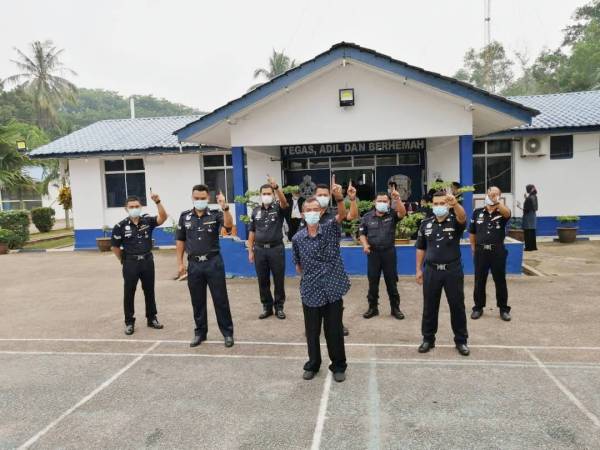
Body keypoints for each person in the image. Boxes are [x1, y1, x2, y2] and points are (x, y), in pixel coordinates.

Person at [292, 193, 350, 383]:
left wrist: (340, 199)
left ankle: (339, 365)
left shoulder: (331, 229)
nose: (312, 213)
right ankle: (313, 364)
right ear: (302, 214)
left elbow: (342, 215)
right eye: (308, 210)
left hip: (333, 289)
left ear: (322, 211)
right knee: (312, 331)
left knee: (334, 330)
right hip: (310, 291)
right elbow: (298, 266)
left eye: (315, 210)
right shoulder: (298, 239)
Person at [176, 184, 235, 348]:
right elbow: (180, 240)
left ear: (208, 198)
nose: (200, 201)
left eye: (203, 198)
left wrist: (225, 208)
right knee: (197, 301)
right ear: (192, 198)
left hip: (213, 263)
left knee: (220, 299)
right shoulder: (185, 216)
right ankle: (200, 333)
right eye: (197, 198)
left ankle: (227, 333)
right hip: (194, 264)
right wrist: (180, 263)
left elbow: (229, 226)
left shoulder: (216, 215)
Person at [415, 191, 469, 356]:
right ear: (432, 205)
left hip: (452, 270)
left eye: (442, 203)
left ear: (447, 204)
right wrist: (419, 269)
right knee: (429, 306)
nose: (439, 207)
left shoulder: (455, 220)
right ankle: (428, 339)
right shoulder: (426, 223)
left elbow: (463, 218)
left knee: (457, 306)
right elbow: (421, 247)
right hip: (431, 270)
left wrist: (455, 204)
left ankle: (461, 341)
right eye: (436, 204)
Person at [111, 192, 167, 335]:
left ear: (141, 207)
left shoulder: (147, 221)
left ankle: (152, 318)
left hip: (147, 261)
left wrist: (158, 202)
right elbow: (115, 247)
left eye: (137, 206)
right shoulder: (120, 226)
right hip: (130, 263)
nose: (134, 208)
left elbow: (163, 218)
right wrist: (123, 260)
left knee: (149, 290)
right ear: (126, 208)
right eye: (131, 206)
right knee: (129, 292)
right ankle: (129, 322)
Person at [309, 177, 358, 336]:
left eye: (325, 195)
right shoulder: (309, 216)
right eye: (320, 195)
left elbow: (349, 215)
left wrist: (347, 199)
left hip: (332, 265)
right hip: (314, 266)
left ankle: (338, 324)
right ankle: (314, 326)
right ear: (315, 196)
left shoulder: (333, 214)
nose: (322, 197)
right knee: (314, 298)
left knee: (335, 298)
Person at [359, 187, 407, 320]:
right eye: (379, 200)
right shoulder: (367, 217)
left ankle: (395, 308)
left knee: (391, 282)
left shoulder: (391, 214)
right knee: (372, 282)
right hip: (373, 254)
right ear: (374, 202)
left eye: (385, 201)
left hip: (388, 253)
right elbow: (362, 234)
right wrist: (365, 245)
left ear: (388, 202)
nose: (382, 203)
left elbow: (402, 213)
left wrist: (397, 199)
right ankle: (372, 308)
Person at [247, 176, 289, 320]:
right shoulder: (255, 211)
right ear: (260, 195)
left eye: (269, 193)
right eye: (264, 194)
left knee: (278, 279)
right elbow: (251, 232)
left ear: (272, 194)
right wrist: (250, 251)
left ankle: (279, 307)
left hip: (276, 249)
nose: (266, 196)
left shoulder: (278, 208)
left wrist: (277, 188)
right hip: (259, 250)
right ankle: (267, 307)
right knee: (262, 280)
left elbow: (284, 202)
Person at [469, 186, 512, 321]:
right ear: (486, 194)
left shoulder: (502, 212)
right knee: (479, 280)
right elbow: (472, 232)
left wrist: (497, 202)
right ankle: (478, 307)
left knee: (500, 280)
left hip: (497, 251)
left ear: (499, 196)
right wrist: (473, 248)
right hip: (481, 251)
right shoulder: (477, 212)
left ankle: (504, 309)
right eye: (490, 193)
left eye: (495, 194)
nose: (492, 195)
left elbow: (507, 214)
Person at [520, 184, 538, 251]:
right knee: (532, 231)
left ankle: (528, 247)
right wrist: (526, 198)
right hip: (533, 216)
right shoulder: (534, 196)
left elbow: (527, 208)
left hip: (528, 216)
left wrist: (520, 207)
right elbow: (533, 206)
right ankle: (533, 247)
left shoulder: (530, 197)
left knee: (527, 232)